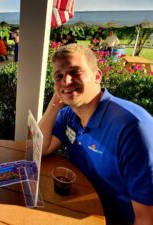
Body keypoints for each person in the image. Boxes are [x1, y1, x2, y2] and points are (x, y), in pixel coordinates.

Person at [38, 44, 153, 225]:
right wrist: (56, 102)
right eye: (58, 76)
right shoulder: (69, 115)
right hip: (78, 210)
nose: (66, 81)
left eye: (75, 72)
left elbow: (147, 219)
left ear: (97, 76)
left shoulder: (132, 128)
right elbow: (41, 149)